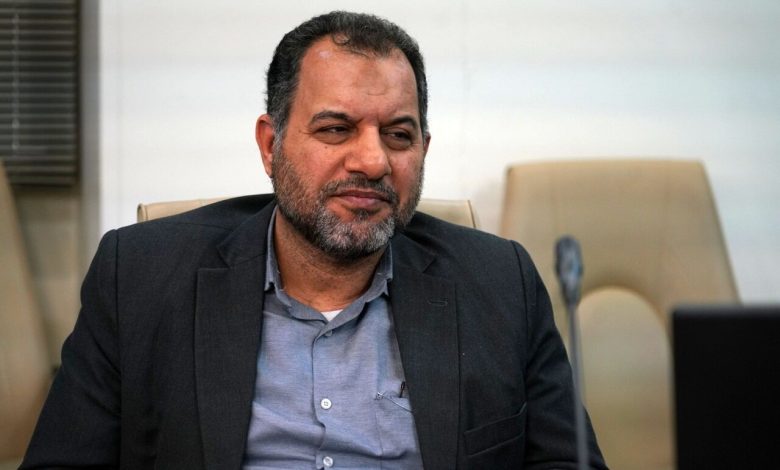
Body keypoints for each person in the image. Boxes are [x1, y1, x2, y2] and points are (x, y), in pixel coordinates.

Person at [21, 11, 606, 470]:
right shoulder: (140, 278)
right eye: (336, 129)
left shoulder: (500, 284)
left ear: (423, 149)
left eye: (398, 135)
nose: (373, 161)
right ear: (270, 145)